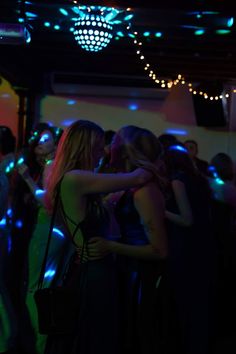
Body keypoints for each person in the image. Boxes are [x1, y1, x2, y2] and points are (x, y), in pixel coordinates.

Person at [44, 120, 151, 354]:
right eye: (99, 145)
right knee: (95, 337)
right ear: (85, 146)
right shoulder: (75, 178)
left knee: (95, 335)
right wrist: (137, 151)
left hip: (92, 267)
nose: (103, 151)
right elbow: (139, 178)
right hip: (93, 270)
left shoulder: (80, 179)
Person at [88, 125, 168, 354]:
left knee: (139, 337)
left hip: (142, 276)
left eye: (112, 145)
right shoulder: (132, 185)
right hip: (130, 270)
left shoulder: (144, 192)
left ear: (124, 151)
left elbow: (160, 250)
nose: (106, 149)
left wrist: (110, 246)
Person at [164, 143, 216, 354]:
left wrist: (161, 210)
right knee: (200, 301)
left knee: (185, 301)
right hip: (204, 245)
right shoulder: (200, 180)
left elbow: (186, 220)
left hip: (185, 247)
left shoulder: (177, 181)